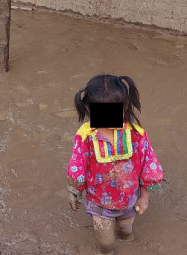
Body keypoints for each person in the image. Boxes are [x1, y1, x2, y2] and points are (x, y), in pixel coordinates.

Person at [66, 75, 163, 254]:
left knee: (126, 232)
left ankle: (128, 241)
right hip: (99, 204)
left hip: (129, 201)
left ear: (125, 106)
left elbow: (148, 166)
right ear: (89, 109)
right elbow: (77, 165)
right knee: (106, 244)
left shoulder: (136, 134)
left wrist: (144, 196)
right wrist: (74, 190)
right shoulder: (86, 135)